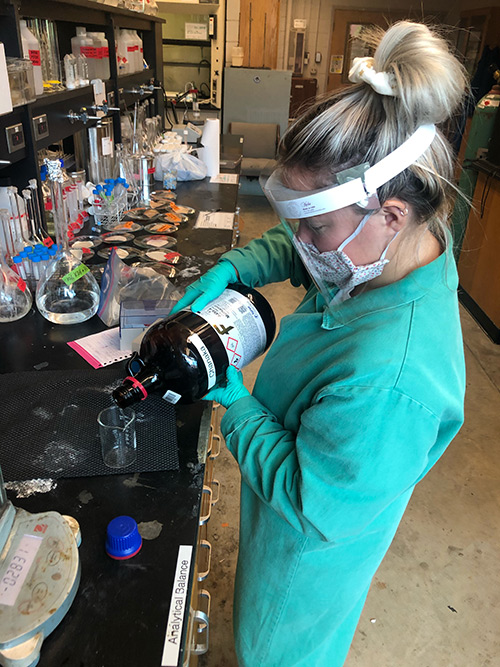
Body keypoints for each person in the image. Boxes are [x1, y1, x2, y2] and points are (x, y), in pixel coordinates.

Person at [172, 21, 467, 667]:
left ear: (389, 213)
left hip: (307, 551)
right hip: (306, 483)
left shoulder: (392, 379)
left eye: (317, 227)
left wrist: (235, 401)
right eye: (296, 226)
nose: (302, 244)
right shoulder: (393, 252)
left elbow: (310, 506)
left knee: (272, 642)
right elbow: (310, 244)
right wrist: (240, 265)